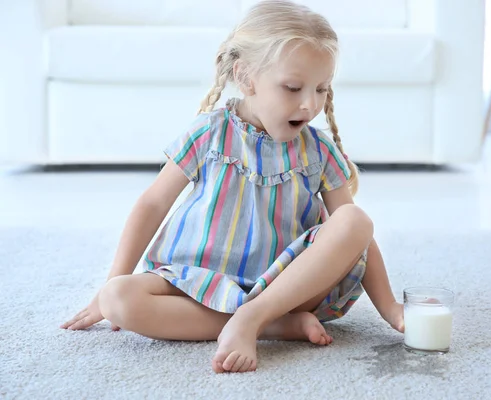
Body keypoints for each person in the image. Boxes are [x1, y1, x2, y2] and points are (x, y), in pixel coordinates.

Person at [60, 0, 405, 373]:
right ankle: (272, 327)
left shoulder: (317, 150)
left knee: (354, 218)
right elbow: (152, 204)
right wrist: (111, 282)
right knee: (118, 299)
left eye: (322, 89)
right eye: (293, 87)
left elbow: (355, 236)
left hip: (287, 286)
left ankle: (257, 314)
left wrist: (389, 308)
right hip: (201, 279)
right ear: (245, 77)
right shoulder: (210, 134)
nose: (310, 105)